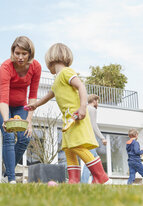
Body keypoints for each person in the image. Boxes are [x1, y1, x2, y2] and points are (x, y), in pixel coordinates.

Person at [26, 43, 109, 184]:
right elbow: (49, 95)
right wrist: (35, 104)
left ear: (50, 59)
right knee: (69, 149)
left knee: (77, 146)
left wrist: (83, 107)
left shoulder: (66, 72)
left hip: (77, 116)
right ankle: (73, 180)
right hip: (68, 120)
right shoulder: (57, 80)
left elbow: (81, 86)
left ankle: (102, 177)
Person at [0, 36, 42, 184]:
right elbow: (4, 99)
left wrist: (29, 120)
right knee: (8, 136)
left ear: (30, 53)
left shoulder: (35, 67)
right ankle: (12, 180)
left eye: (24, 54)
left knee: (25, 137)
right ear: (13, 52)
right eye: (17, 53)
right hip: (0, 104)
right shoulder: (6, 67)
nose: (20, 57)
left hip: (21, 106)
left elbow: (33, 95)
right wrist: (6, 120)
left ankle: (7, 172)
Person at [81, 94, 107, 184]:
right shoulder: (92, 109)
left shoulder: (84, 108)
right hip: (89, 137)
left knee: (95, 158)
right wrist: (102, 138)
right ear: (94, 100)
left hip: (83, 136)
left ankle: (97, 180)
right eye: (97, 100)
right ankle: (84, 183)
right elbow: (94, 125)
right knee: (90, 161)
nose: (98, 102)